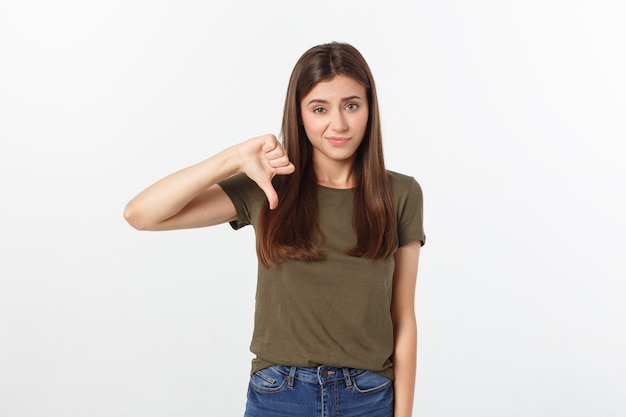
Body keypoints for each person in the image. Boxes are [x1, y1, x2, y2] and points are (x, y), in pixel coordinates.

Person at [124, 41, 425, 417]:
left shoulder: (400, 193)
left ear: (369, 108)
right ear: (299, 115)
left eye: (351, 105)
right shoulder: (268, 185)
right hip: (279, 394)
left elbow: (404, 318)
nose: (339, 124)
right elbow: (141, 214)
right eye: (320, 109)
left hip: (368, 395)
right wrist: (232, 158)